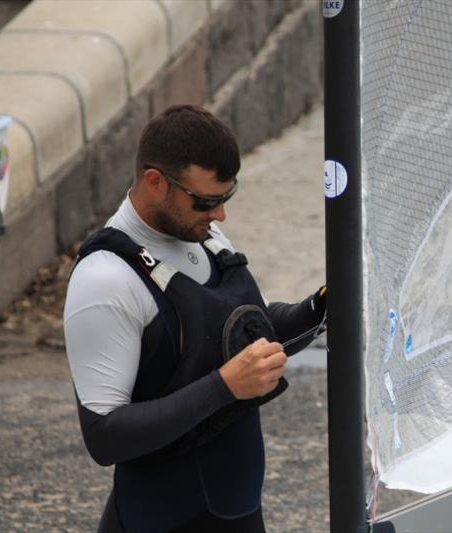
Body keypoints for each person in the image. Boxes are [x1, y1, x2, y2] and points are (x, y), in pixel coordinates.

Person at [63, 105, 326, 533]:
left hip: (238, 514)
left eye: (226, 197)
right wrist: (223, 387)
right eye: (206, 201)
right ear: (155, 182)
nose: (220, 214)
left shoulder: (199, 231)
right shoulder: (105, 281)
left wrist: (317, 309)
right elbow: (104, 435)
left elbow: (242, 335)